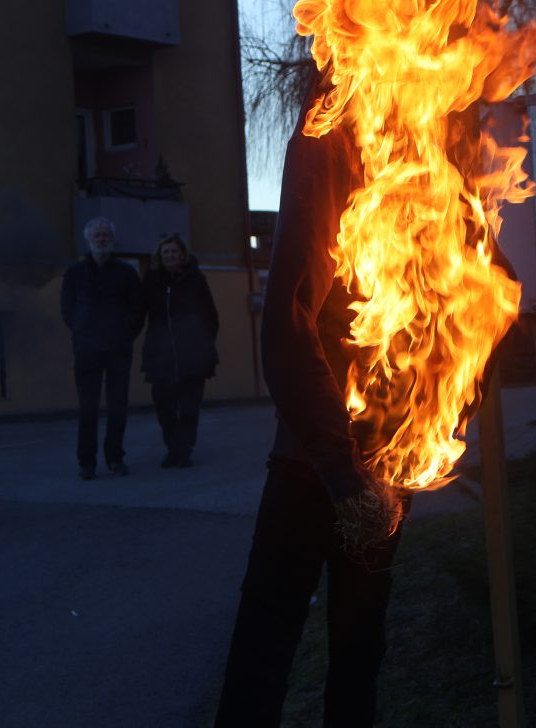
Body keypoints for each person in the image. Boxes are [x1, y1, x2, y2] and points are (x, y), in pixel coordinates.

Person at [214, 77, 407, 728]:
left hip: (383, 467)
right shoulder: (328, 142)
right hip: (315, 464)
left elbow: (480, 297)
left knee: (359, 650)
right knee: (266, 648)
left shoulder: (429, 159)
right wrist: (339, 468)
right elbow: (288, 322)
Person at [61, 216, 144, 480]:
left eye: (105, 235)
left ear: (113, 240)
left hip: (118, 349)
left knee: (118, 406)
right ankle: (86, 462)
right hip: (87, 349)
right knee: (88, 407)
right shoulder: (75, 273)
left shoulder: (126, 273)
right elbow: (67, 309)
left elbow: (138, 309)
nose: (101, 239)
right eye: (97, 235)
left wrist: (125, 335)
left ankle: (115, 458)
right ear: (88, 239)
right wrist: (81, 332)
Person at [140, 233, 219, 468]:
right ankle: (173, 448)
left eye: (174, 251)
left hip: (193, 356)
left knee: (189, 407)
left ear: (182, 254)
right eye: (166, 252)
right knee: (164, 406)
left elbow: (210, 315)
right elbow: (139, 311)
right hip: (160, 355)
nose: (170, 255)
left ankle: (184, 451)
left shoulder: (196, 280)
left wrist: (203, 342)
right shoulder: (151, 281)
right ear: (159, 256)